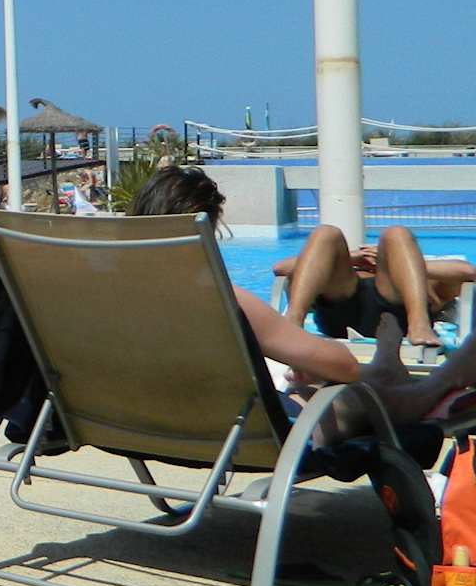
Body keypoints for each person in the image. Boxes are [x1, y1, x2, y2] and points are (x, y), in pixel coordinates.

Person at [130, 168, 476, 444]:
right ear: (204, 231)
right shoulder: (221, 299)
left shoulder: (120, 295)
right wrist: (316, 363)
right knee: (368, 394)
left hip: (151, 424)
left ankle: (385, 368)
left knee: (309, 388)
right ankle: (437, 383)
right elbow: (343, 366)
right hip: (248, 432)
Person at [274, 220, 476, 353]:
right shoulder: (345, 270)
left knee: (396, 233)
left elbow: (468, 272)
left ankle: (419, 323)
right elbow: (281, 268)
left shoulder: (422, 275)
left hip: (400, 318)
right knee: (326, 233)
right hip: (340, 310)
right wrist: (352, 257)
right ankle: (293, 321)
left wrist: (398, 263)